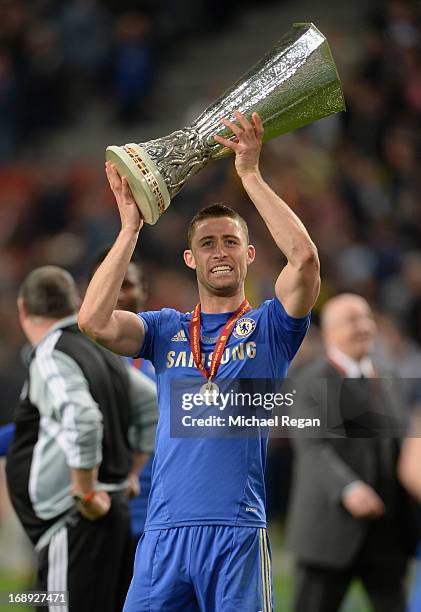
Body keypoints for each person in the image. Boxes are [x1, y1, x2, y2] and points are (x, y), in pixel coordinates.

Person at [78, 110, 320, 611]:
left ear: (250, 255)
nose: (220, 252)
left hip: (235, 532)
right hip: (164, 531)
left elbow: (305, 262)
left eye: (231, 242)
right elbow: (93, 322)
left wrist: (250, 175)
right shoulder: (165, 329)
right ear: (191, 259)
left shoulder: (271, 328)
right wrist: (129, 230)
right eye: (207, 244)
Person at [6, 265, 157, 612]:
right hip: (111, 516)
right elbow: (150, 403)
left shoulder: (50, 354)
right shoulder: (100, 351)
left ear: (23, 308)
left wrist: (85, 489)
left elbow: (82, 417)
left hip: (74, 522)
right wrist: (130, 474)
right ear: (75, 303)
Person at [287, 293, 418, 612]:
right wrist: (349, 488)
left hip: (387, 531)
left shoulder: (389, 375)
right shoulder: (308, 380)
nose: (362, 327)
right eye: (351, 320)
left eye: (366, 318)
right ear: (329, 332)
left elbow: (401, 444)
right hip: (328, 531)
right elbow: (312, 446)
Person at [90, 249, 156, 543]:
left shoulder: (171, 356)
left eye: (126, 284)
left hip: (155, 514)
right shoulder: (74, 357)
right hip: (93, 509)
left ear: (144, 290)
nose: (117, 294)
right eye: (109, 283)